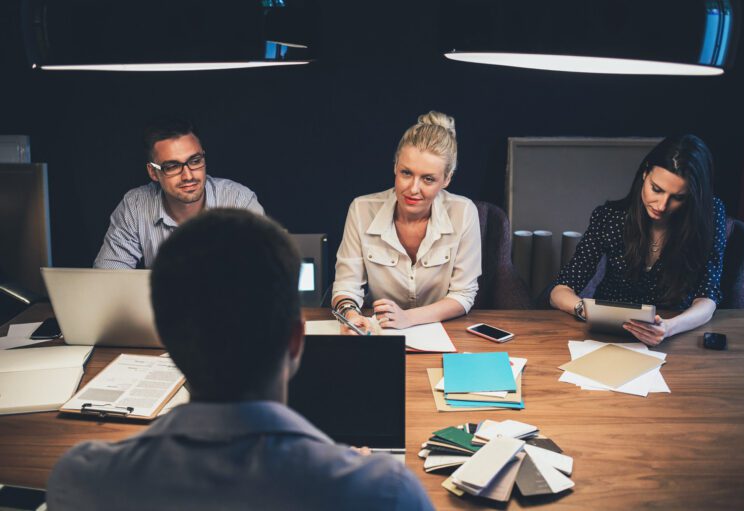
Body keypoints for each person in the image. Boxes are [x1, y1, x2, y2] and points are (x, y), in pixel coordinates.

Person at [48, 209, 434, 511]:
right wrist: (353, 470)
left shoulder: (82, 479)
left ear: (168, 343)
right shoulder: (383, 491)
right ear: (297, 341)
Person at [549, 134, 726, 346]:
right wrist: (585, 310)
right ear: (645, 173)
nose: (661, 205)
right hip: (609, 334)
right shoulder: (610, 218)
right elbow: (560, 291)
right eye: (656, 189)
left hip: (677, 331)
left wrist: (669, 328)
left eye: (678, 197)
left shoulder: (710, 214)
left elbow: (708, 297)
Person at [332, 111, 481, 334]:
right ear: (395, 167)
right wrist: (352, 316)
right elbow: (346, 286)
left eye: (428, 179)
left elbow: (463, 295)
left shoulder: (464, 212)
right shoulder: (361, 209)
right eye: (406, 173)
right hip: (380, 332)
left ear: (447, 179)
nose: (413, 189)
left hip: (441, 332)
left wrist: (407, 318)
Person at [93, 118, 265, 269]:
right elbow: (108, 278)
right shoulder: (135, 207)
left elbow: (265, 272)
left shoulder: (239, 201)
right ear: (153, 172)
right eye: (172, 166)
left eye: (195, 161)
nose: (188, 176)